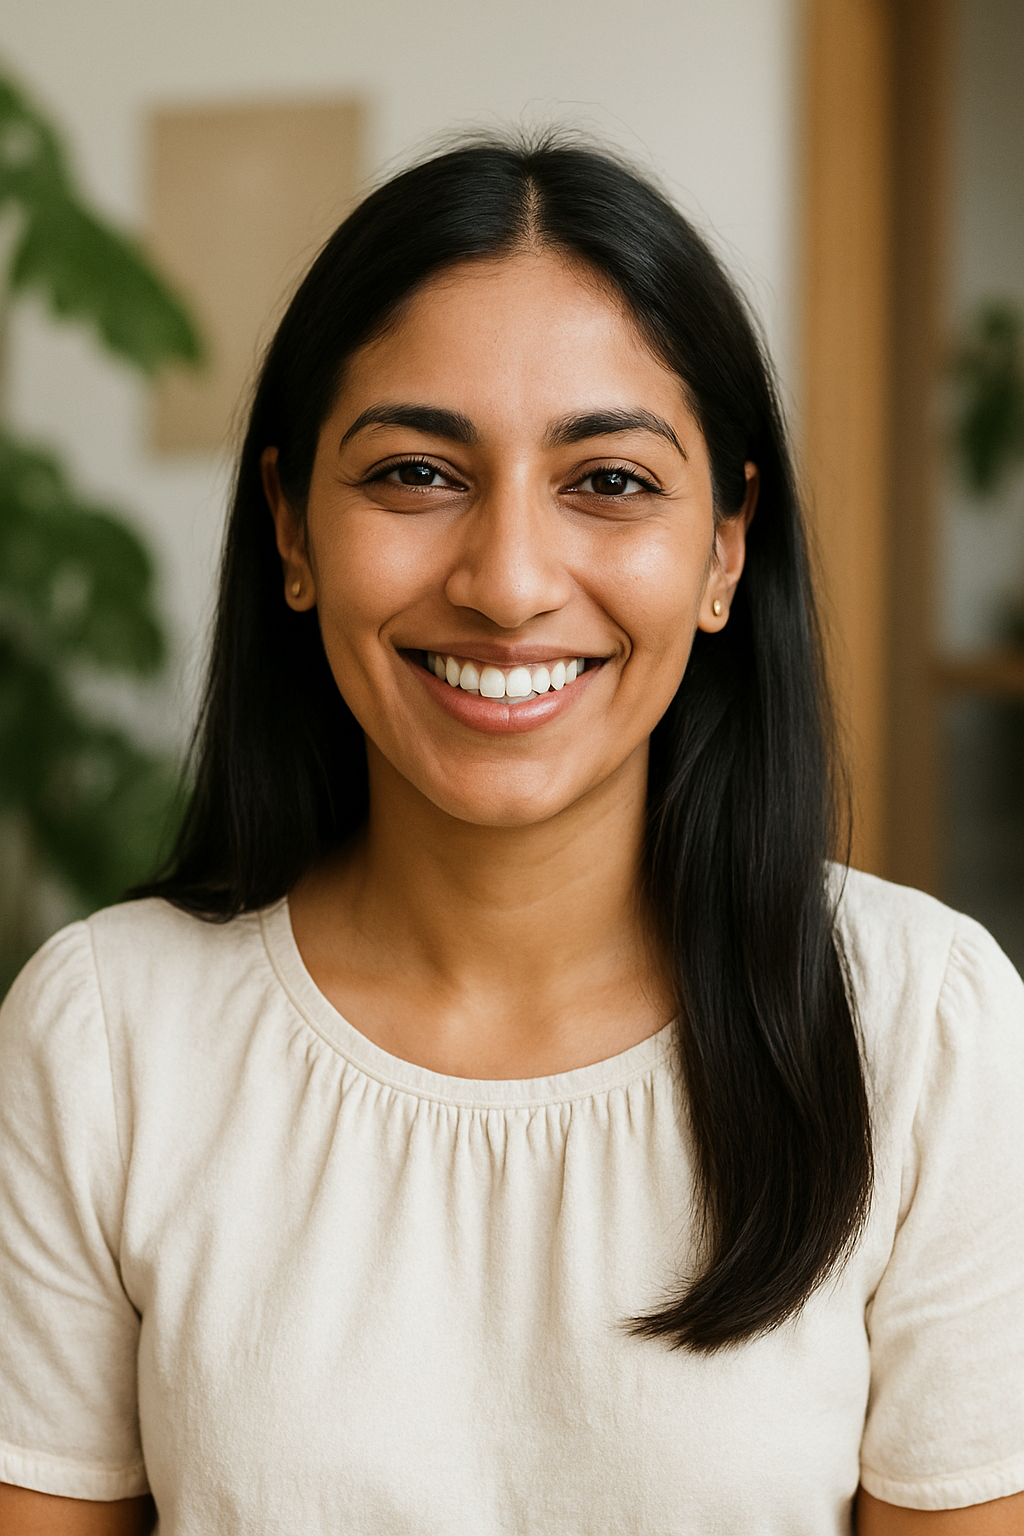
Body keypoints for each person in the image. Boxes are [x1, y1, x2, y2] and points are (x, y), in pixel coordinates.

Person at [0, 135, 1022, 1536]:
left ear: (726, 548)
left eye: (608, 482)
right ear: (290, 528)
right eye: (418, 474)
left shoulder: (926, 1027)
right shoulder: (105, 1037)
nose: (510, 582)